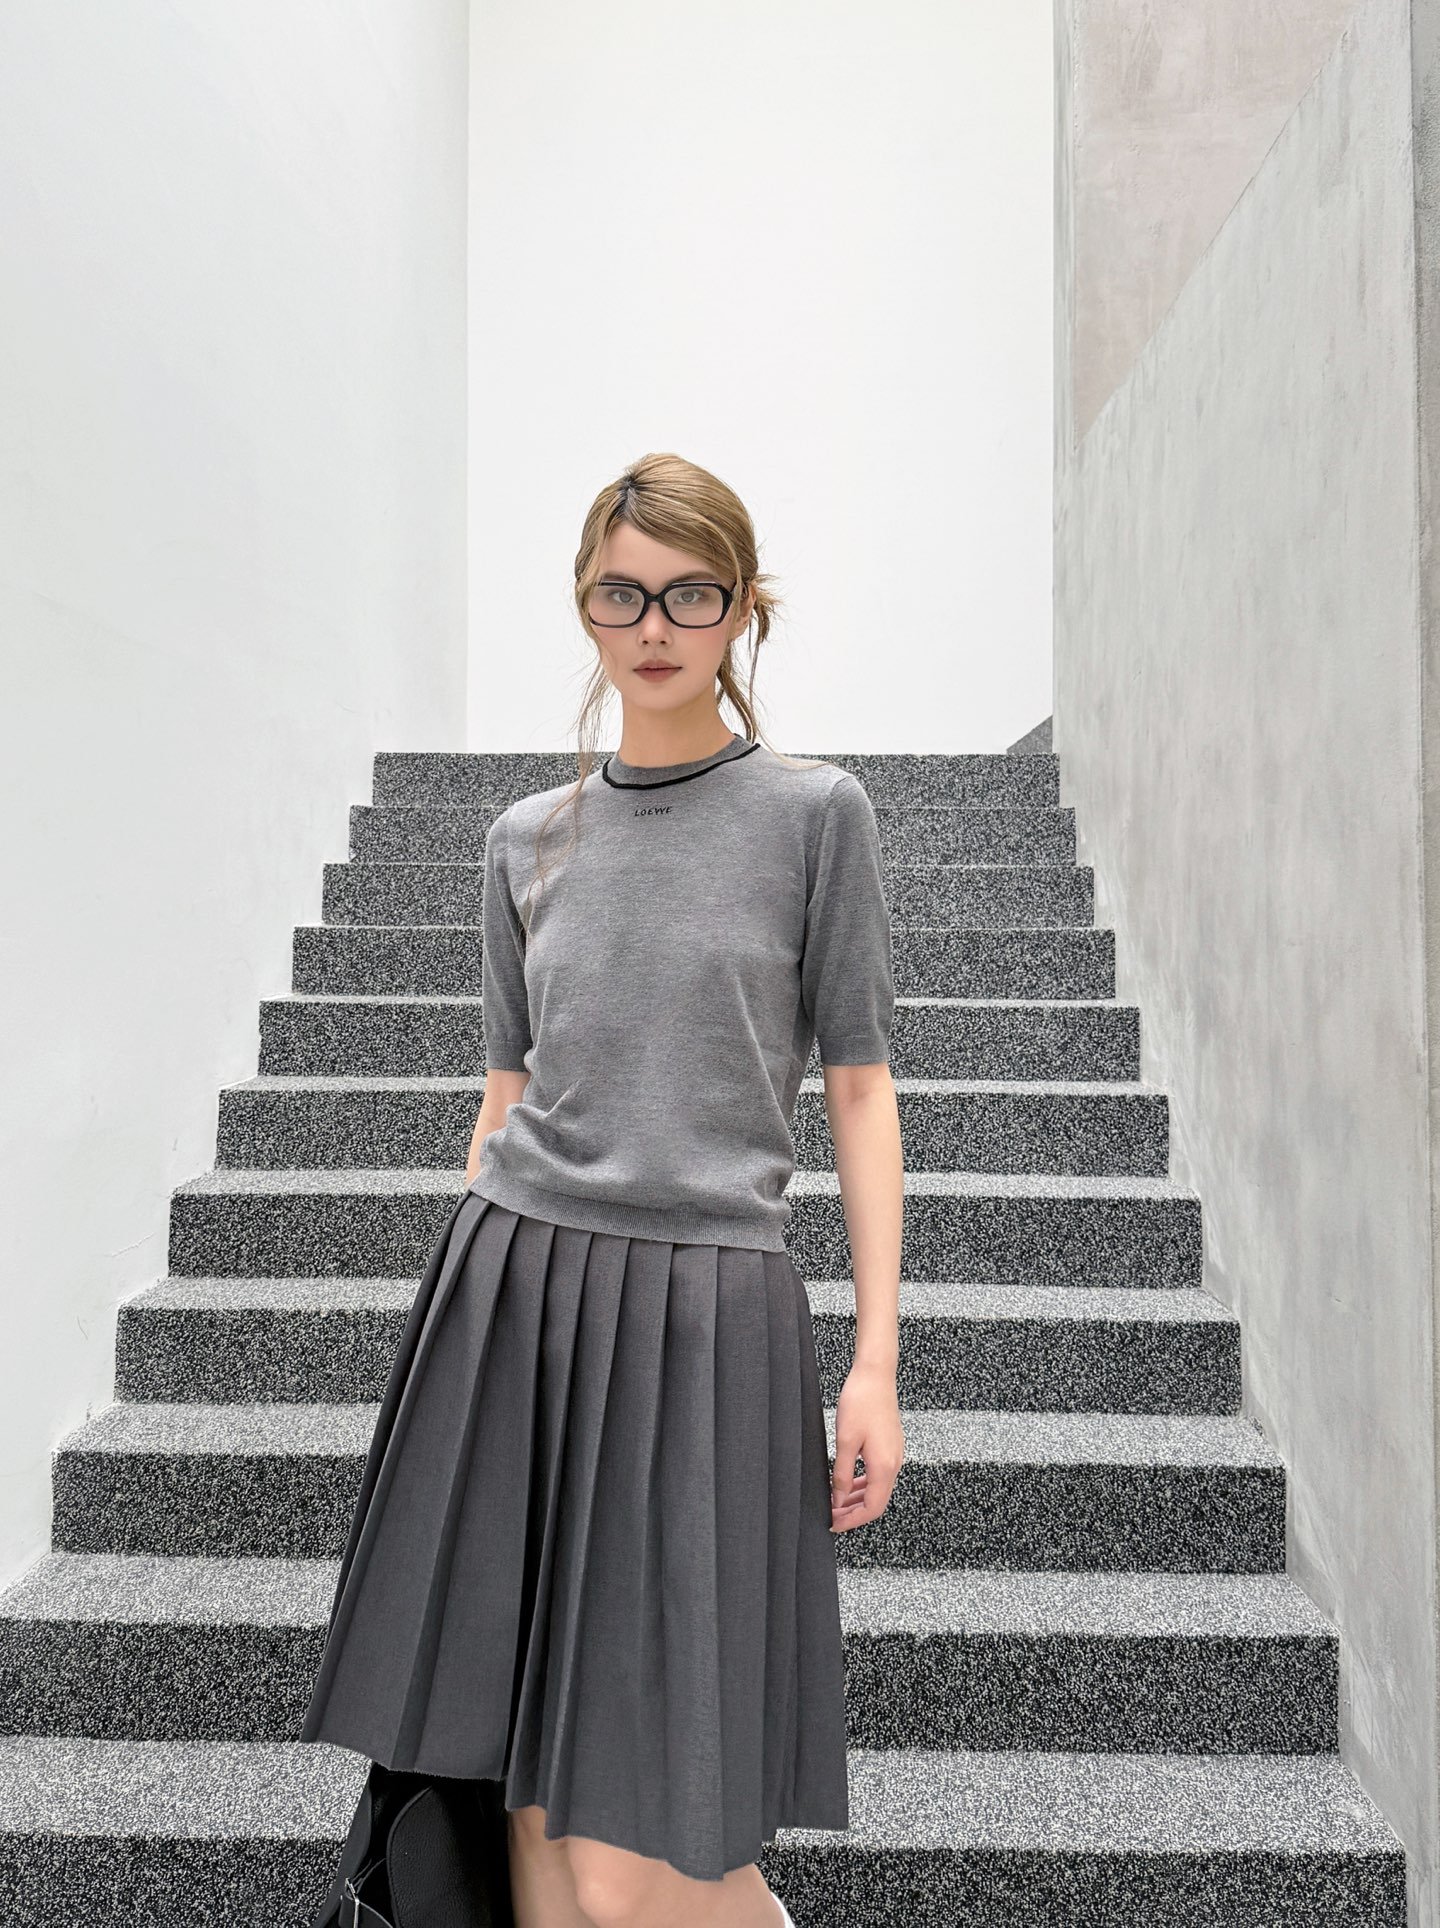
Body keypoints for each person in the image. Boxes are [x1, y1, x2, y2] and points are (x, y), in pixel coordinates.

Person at [301, 451, 906, 1927]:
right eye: (622, 594)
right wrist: (476, 1322)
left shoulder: (815, 816)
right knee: (529, 1817)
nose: (655, 626)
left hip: (708, 1312)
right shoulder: (526, 838)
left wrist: (876, 1363)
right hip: (516, 1299)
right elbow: (506, 1092)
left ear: (743, 608)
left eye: (692, 593)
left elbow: (859, 1089)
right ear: (584, 607)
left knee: (635, 1863)